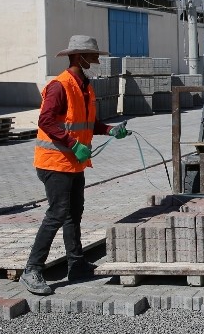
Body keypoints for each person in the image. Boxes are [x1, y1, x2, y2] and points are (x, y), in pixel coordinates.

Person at [20, 35, 129, 296]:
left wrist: (110, 130)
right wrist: (72, 143)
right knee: (57, 213)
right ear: (78, 57)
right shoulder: (60, 86)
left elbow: (88, 123)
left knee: (74, 213)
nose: (97, 60)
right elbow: (46, 121)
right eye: (93, 56)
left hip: (73, 162)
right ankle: (32, 269)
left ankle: (76, 264)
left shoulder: (85, 86)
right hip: (54, 162)